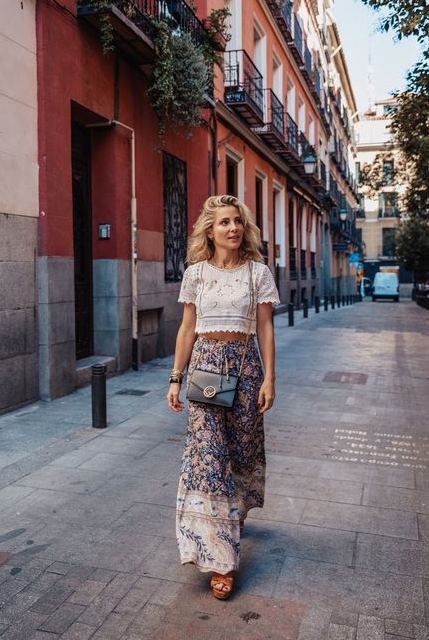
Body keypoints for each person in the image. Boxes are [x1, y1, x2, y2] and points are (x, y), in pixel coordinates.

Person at [167, 194, 279, 600]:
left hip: (246, 368)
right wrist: (175, 378)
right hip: (206, 370)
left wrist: (270, 378)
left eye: (237, 221)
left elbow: (265, 328)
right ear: (209, 231)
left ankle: (238, 512)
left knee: (241, 451)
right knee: (209, 458)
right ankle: (219, 559)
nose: (232, 228)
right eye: (224, 223)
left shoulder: (257, 273)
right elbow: (186, 330)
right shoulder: (196, 274)